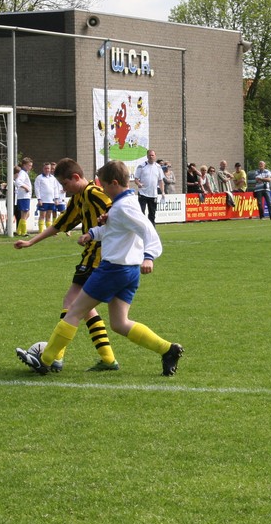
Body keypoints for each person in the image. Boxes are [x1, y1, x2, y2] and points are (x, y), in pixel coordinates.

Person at [22, 159, 184, 377]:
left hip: (113, 269)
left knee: (74, 310)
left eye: (104, 185)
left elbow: (148, 230)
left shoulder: (123, 206)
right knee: (120, 323)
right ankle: (167, 350)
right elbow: (115, 229)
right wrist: (93, 233)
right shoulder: (123, 204)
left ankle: (46, 360)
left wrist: (149, 257)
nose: (103, 190)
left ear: (114, 183)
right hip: (129, 271)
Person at [14, 157, 117, 372]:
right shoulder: (79, 197)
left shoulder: (93, 193)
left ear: (76, 177)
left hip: (98, 256)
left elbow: (118, 209)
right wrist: (31, 242)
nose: (63, 189)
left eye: (65, 184)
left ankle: (54, 357)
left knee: (71, 301)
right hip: (91, 256)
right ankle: (108, 360)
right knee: (85, 308)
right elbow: (61, 224)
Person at [133, 149, 165, 225]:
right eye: (149, 155)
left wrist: (163, 192)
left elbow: (161, 181)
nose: (151, 157)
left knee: (152, 215)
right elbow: (136, 179)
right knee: (141, 213)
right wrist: (139, 184)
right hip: (143, 193)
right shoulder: (141, 166)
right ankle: (142, 229)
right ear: (147, 156)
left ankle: (152, 229)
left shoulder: (158, 167)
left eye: (152, 155)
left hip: (153, 194)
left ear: (155, 156)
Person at [34, 161, 56, 233]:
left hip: (51, 200)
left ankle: (48, 232)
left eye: (48, 168)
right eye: (46, 168)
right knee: (42, 216)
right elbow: (37, 189)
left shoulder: (53, 178)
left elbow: (55, 188)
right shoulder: (39, 177)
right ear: (43, 169)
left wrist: (56, 198)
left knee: (49, 216)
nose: (47, 170)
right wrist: (39, 199)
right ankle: (41, 231)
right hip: (43, 200)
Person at [13, 157, 33, 236]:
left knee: (26, 214)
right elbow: (18, 182)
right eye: (29, 165)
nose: (30, 167)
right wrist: (25, 187)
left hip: (25, 197)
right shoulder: (22, 173)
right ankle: (24, 232)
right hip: (24, 196)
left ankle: (19, 231)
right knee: (24, 214)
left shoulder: (24, 173)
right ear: (24, 165)